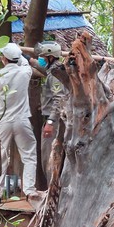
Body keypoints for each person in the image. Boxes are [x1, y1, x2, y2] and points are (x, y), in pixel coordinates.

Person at [0, 42, 40, 201]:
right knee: (29, 155)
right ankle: (29, 190)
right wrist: (23, 56)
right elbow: (25, 62)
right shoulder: (25, 72)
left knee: (1, 157)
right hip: (21, 120)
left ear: (3, 59)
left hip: (3, 120)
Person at [32, 41, 68, 182]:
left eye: (43, 56)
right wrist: (28, 59)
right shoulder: (56, 70)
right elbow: (42, 68)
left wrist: (51, 121)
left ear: (51, 57)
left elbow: (58, 99)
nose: (41, 59)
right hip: (55, 121)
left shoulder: (54, 75)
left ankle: (51, 194)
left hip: (54, 123)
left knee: (49, 159)